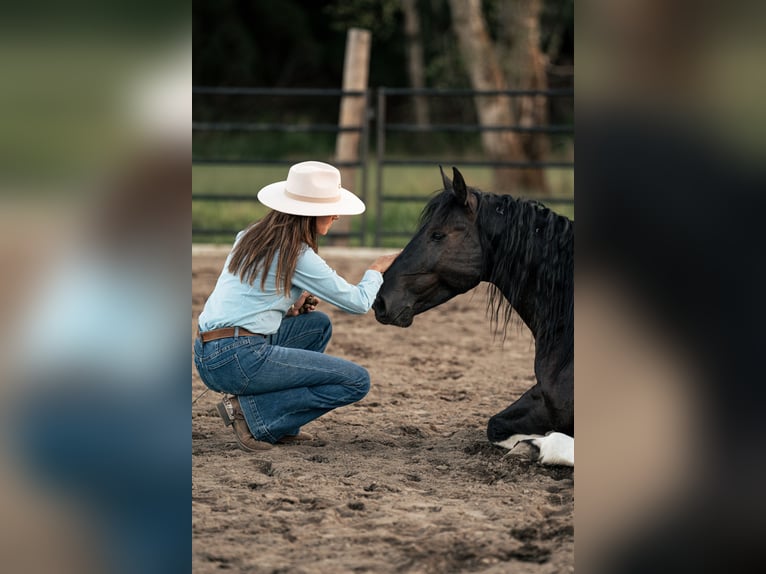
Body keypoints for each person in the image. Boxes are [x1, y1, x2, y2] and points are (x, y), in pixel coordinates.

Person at [194, 161, 398, 452]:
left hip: (208, 352)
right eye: (332, 208)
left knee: (317, 325)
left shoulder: (249, 237)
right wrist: (377, 269)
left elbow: (246, 295)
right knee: (356, 381)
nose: (337, 214)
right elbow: (358, 303)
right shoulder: (299, 255)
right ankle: (254, 416)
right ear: (311, 214)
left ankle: (280, 424)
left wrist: (290, 305)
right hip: (239, 356)